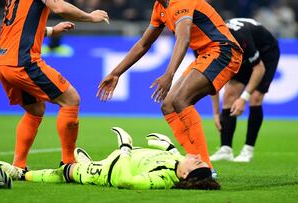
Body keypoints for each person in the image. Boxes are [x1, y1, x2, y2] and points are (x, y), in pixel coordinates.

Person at [97, 0, 243, 169]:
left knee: (181, 100)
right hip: (205, 54)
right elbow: (144, 44)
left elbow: (184, 38)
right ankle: (193, 163)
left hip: (223, 50)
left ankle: (205, 168)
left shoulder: (181, 1)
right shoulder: (159, 8)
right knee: (168, 106)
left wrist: (169, 74)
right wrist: (116, 73)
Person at [0, 0, 109, 180]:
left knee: (35, 110)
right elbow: (60, 7)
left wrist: (52, 31)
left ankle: (18, 166)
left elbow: (20, 24)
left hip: (2, 61)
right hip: (23, 61)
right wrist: (90, 17)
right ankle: (68, 163)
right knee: (71, 99)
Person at [24, 127, 220, 190]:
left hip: (107, 172)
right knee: (77, 163)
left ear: (185, 174)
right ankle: (87, 162)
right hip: (119, 157)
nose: (198, 156)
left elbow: (126, 180)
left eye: (197, 161)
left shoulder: (161, 178)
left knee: (66, 171)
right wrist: (169, 146)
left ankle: (20, 174)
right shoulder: (178, 163)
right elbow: (175, 158)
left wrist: (125, 147)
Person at [210, 18, 280, 162]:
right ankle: (226, 149)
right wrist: (216, 112)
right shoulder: (207, 44)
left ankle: (248, 150)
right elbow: (212, 79)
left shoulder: (240, 38)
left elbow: (259, 68)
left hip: (266, 52)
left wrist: (244, 98)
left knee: (255, 97)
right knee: (229, 95)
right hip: (242, 53)